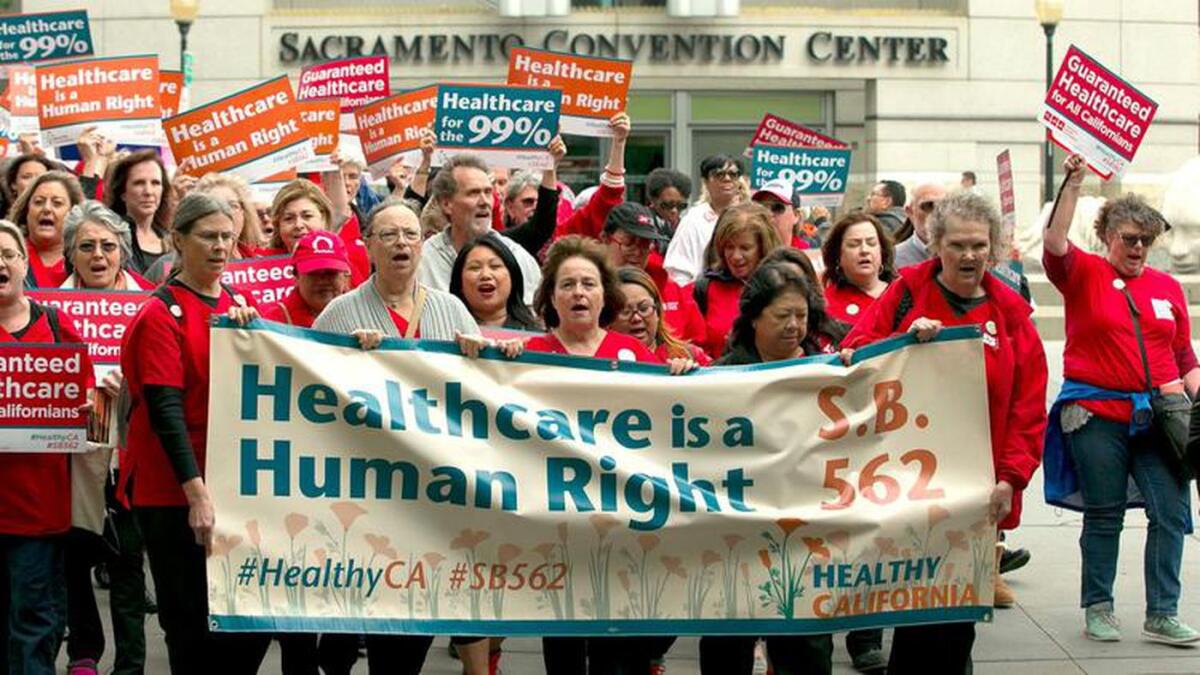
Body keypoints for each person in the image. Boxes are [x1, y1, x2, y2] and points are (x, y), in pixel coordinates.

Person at [842, 191, 1048, 670]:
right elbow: (855, 352)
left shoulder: (1012, 315)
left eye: (979, 245)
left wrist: (1011, 478)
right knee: (915, 611)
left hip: (974, 490)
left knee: (957, 619)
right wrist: (904, 342)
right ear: (936, 245)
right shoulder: (906, 293)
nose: (969, 255)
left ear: (993, 248)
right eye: (957, 245)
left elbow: (1028, 410)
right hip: (906, 481)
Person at [314, 198, 516, 675]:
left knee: (405, 640)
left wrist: (483, 358)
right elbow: (307, 387)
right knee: (344, 634)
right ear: (368, 246)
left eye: (410, 234)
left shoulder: (451, 310)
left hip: (430, 497)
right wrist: (344, 358)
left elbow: (481, 397)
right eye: (388, 235)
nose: (400, 243)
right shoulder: (340, 314)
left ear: (422, 245)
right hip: (365, 493)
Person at [1042, 154, 1200, 645]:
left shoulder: (1166, 286)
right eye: (1129, 238)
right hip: (1096, 414)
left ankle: (1163, 612)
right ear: (1107, 235)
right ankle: (1099, 606)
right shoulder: (1082, 273)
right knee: (1105, 512)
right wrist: (1073, 183)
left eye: (1146, 240)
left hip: (1161, 417)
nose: (1137, 248)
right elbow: (1054, 242)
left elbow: (1183, 355)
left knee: (1171, 512)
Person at [524, 235, 691, 675]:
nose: (578, 293)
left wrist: (681, 377)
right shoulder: (527, 357)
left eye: (588, 284)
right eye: (567, 285)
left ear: (605, 295)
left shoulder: (634, 355)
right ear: (551, 297)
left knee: (621, 649)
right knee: (564, 646)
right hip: (559, 526)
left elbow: (670, 423)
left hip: (624, 525)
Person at [120, 193, 272, 674]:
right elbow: (165, 409)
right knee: (189, 623)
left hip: (231, 484)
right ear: (178, 241)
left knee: (247, 621)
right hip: (174, 490)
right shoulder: (159, 314)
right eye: (208, 237)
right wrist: (197, 493)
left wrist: (254, 336)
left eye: (228, 236)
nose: (220, 246)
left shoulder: (238, 306)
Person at [701, 262, 834, 675]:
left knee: (806, 647)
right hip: (734, 533)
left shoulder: (831, 372)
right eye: (782, 316)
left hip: (805, 532)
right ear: (754, 317)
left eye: (801, 315)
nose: (794, 326)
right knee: (727, 643)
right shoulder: (718, 377)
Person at [0, 219, 96, 675]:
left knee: (34, 621)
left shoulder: (57, 324)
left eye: (7, 254)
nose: (0, 264)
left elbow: (87, 391)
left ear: (24, 264)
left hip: (39, 509)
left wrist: (85, 404)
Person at [58, 202, 149, 674]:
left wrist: (130, 382)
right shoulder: (48, 309)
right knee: (75, 553)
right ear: (71, 254)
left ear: (123, 252)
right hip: (75, 451)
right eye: (87, 246)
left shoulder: (149, 304)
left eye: (108, 246)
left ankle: (131, 663)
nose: (98, 255)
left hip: (131, 448)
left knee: (128, 559)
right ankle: (84, 653)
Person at [417, 154, 547, 305]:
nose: (484, 202)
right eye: (473, 193)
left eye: (488, 192)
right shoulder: (423, 261)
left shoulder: (518, 257)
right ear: (446, 204)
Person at [601, 202, 707, 348]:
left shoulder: (672, 291)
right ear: (605, 239)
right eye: (629, 242)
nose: (637, 252)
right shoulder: (587, 291)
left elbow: (699, 346)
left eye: (645, 244)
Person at [692, 202, 782, 357]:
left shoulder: (783, 285)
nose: (736, 256)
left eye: (745, 248)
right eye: (729, 247)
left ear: (763, 247)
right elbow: (694, 346)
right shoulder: (705, 287)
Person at [263, 178, 369, 286]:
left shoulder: (351, 254)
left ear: (324, 218)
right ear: (277, 224)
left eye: (307, 216)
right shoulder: (260, 267)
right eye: (288, 218)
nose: (298, 225)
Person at [663, 154, 746, 285]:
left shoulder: (751, 216)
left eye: (733, 174)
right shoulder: (693, 220)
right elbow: (678, 274)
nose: (727, 178)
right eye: (719, 174)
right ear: (706, 181)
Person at [613, 266, 710, 365]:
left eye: (644, 308)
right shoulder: (604, 360)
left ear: (658, 311)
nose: (636, 318)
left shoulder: (688, 356)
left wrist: (691, 372)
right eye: (625, 311)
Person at [448, 231, 541, 332]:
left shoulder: (534, 333)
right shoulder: (445, 330)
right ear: (459, 282)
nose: (485, 275)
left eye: (495, 266)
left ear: (513, 277)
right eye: (475, 268)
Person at [8, 170, 85, 288]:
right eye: (39, 202)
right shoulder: (7, 254)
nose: (47, 208)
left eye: (57, 203)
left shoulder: (87, 257)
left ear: (74, 213)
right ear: (26, 211)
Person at [261, 230, 352, 328]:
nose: (322, 280)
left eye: (330, 272)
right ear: (296, 276)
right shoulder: (273, 323)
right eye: (314, 272)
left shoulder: (359, 311)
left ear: (346, 275)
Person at [103, 150, 171, 275]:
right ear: (122, 192)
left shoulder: (171, 239)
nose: (148, 191)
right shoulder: (108, 237)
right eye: (139, 183)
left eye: (155, 183)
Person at [820, 213, 895, 325]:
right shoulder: (825, 304)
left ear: (882, 251)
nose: (864, 250)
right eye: (853, 244)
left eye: (871, 243)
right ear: (838, 254)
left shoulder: (902, 293)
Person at [893, 183, 948, 268]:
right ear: (910, 212)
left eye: (943, 207)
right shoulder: (893, 259)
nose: (936, 214)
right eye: (928, 206)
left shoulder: (964, 254)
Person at [751, 179, 808, 249]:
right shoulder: (748, 253)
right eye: (762, 207)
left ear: (796, 216)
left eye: (777, 207)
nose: (768, 214)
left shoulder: (807, 254)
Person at [644, 167, 692, 243]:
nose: (674, 211)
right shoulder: (643, 224)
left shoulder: (685, 227)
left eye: (680, 206)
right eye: (668, 205)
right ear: (653, 200)